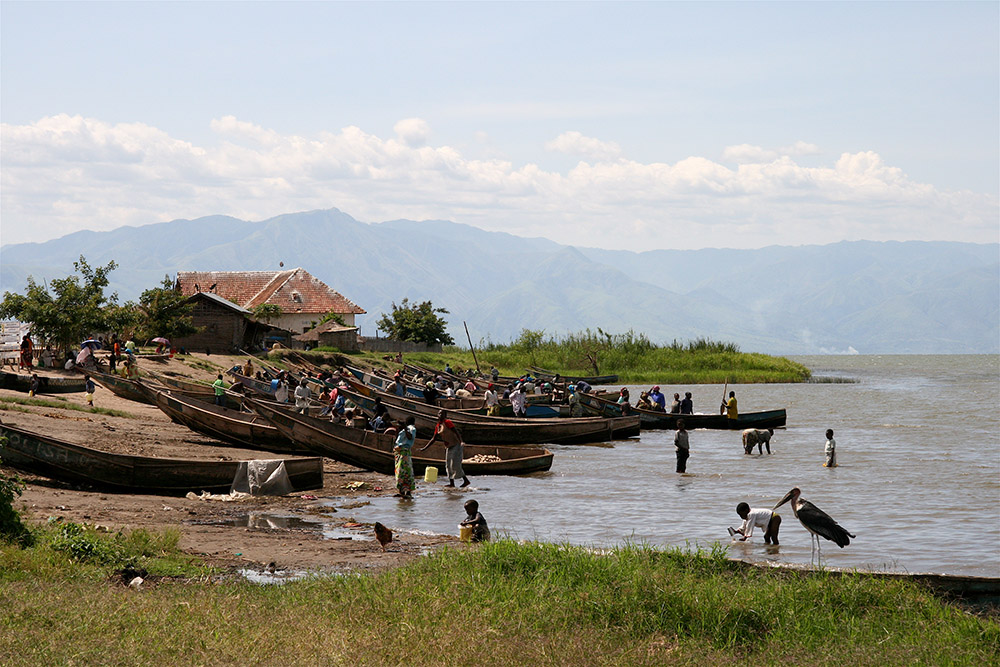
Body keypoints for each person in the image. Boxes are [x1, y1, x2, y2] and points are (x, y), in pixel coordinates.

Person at [419, 410, 470, 488]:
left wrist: (461, 441)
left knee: (455, 464)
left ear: (445, 415)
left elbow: (456, 432)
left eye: (442, 414)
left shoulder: (447, 422)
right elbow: (433, 439)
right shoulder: (438, 426)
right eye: (439, 413)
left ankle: (465, 481)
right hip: (448, 446)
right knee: (448, 465)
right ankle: (451, 483)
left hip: (456, 445)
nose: (440, 415)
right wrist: (425, 448)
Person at [393, 416, 416, 499]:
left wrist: (405, 428)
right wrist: (398, 429)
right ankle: (402, 492)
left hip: (404, 452)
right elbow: (397, 440)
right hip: (399, 452)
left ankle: (408, 492)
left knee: (405, 471)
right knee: (400, 472)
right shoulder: (404, 429)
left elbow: (410, 437)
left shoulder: (411, 429)